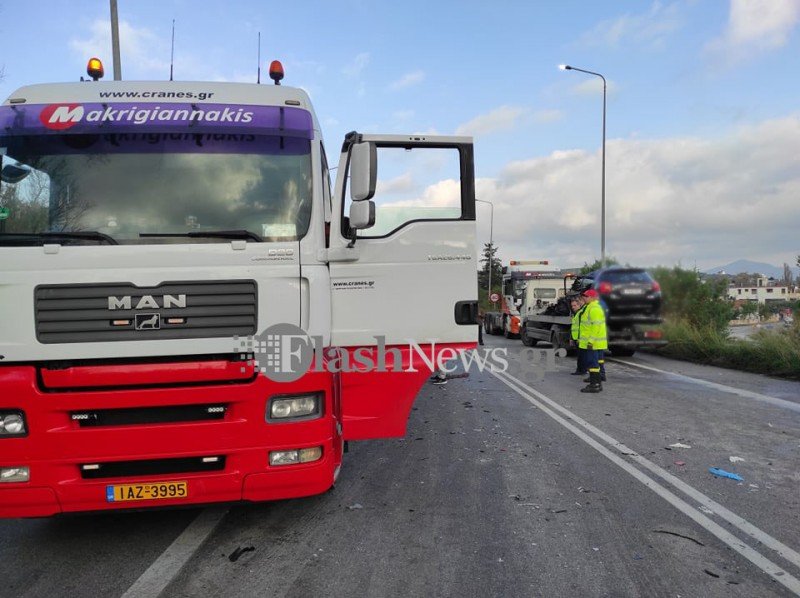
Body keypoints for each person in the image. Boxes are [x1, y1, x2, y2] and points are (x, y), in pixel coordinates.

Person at [578, 289, 608, 393]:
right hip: (592, 342)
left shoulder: (594, 309)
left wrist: (590, 341)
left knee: (593, 363)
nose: (584, 298)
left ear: (592, 297)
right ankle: (596, 382)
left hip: (593, 343)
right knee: (592, 363)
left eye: (586, 296)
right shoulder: (590, 307)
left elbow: (596, 327)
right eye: (584, 296)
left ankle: (595, 385)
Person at [569, 297, 587, 375]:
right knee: (580, 356)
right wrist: (572, 338)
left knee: (581, 356)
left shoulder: (580, 314)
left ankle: (581, 370)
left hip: (580, 339)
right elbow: (573, 327)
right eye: (572, 306)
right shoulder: (575, 314)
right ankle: (581, 370)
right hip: (576, 338)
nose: (573, 307)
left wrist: (579, 338)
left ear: (579, 305)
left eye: (575, 305)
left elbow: (581, 327)